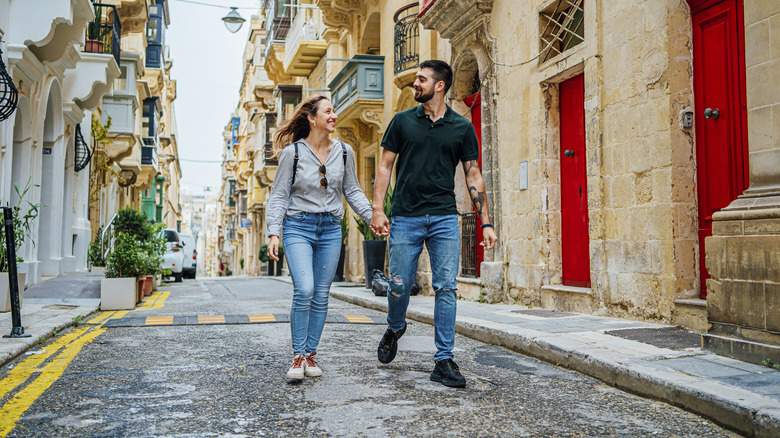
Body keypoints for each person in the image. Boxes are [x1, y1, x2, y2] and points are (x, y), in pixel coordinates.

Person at [370, 60, 498, 388]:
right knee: (399, 284)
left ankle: (443, 359)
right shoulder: (401, 122)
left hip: (443, 217)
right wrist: (377, 209)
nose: (416, 84)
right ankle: (396, 326)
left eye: (422, 79)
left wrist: (485, 222)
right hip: (406, 216)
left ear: (439, 86)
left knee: (447, 287)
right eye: (416, 79)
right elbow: (384, 166)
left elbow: (472, 173)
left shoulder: (460, 127)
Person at [266, 95, 372, 380]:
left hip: (329, 229)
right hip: (298, 226)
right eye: (328, 111)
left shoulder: (345, 152)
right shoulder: (293, 153)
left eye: (334, 111)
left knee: (322, 294)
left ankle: (311, 355)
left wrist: (372, 217)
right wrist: (273, 232)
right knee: (305, 289)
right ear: (312, 119)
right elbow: (279, 195)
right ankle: (298, 354)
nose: (334, 115)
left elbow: (352, 191)